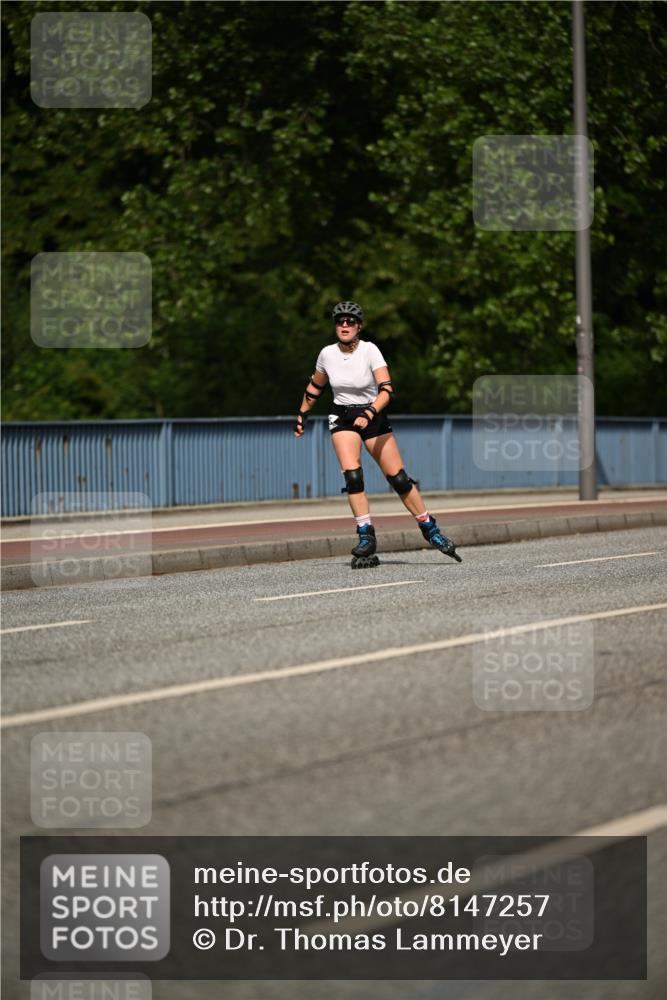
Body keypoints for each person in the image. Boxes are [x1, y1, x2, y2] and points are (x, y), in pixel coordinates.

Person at [294, 300, 461, 566]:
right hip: (342, 415)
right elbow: (315, 386)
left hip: (372, 414)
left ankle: (430, 529)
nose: (344, 325)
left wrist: (369, 413)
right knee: (353, 476)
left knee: (399, 479)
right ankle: (366, 536)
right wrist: (302, 414)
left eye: (350, 321)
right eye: (340, 321)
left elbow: (387, 389)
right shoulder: (327, 354)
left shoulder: (370, 350)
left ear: (359, 326)